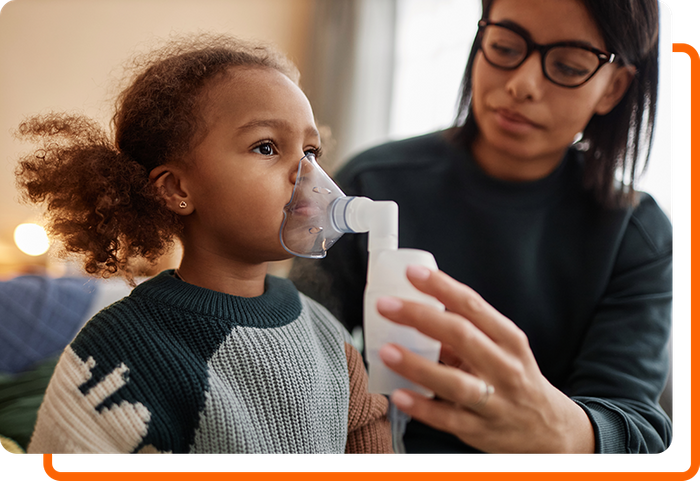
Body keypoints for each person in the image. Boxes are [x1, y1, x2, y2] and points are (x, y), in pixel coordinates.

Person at [290, 0, 673, 455]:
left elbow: (640, 427)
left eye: (568, 66)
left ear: (614, 88)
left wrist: (564, 429)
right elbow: (300, 356)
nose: (522, 84)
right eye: (506, 47)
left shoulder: (637, 234)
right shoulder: (373, 183)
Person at [15, 34, 393, 455]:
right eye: (266, 147)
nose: (306, 173)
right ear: (177, 188)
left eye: (311, 151)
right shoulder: (116, 351)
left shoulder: (328, 336)